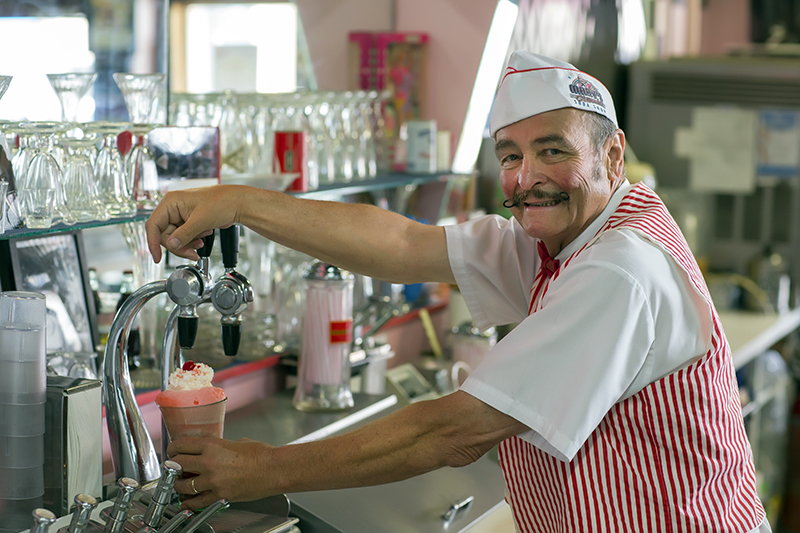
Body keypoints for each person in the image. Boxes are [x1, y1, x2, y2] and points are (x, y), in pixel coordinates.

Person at [145, 51, 769, 532]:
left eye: (554, 151)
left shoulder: (618, 269)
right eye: (511, 155)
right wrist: (237, 203)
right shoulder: (560, 237)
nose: (528, 178)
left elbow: (453, 432)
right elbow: (400, 245)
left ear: (612, 155)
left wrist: (262, 469)